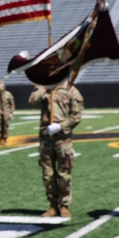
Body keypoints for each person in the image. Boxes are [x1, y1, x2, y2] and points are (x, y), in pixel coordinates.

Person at [29, 80, 83, 217]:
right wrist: (42, 89)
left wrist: (61, 126)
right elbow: (32, 101)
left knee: (64, 174)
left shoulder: (71, 90)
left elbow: (76, 116)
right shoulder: (45, 88)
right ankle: (52, 205)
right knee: (48, 175)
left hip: (62, 139)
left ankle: (64, 205)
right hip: (46, 138)